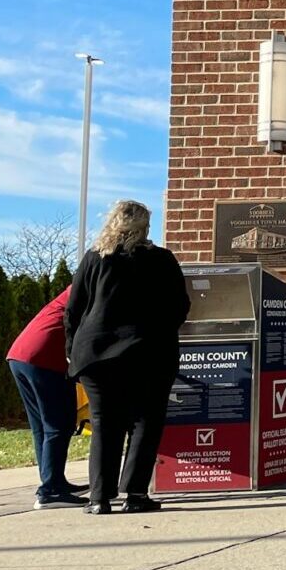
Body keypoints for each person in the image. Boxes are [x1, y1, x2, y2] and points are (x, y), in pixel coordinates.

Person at [64, 201, 190, 515]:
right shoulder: (161, 259)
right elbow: (180, 306)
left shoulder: (94, 258)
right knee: (145, 422)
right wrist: (160, 332)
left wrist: (72, 350)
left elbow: (74, 308)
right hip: (149, 352)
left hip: (96, 354)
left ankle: (99, 499)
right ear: (146, 226)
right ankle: (135, 495)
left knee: (105, 423)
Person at [7, 287, 85, 509]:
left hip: (20, 355)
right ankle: (50, 490)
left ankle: (53, 482)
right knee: (58, 424)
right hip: (44, 358)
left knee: (42, 426)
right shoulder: (93, 287)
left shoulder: (78, 287)